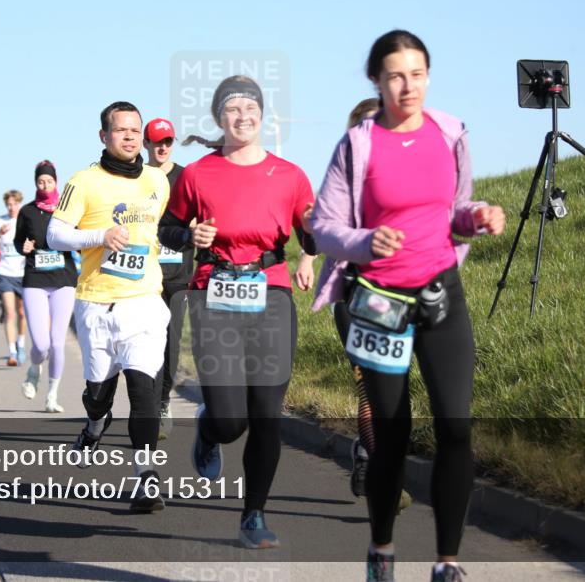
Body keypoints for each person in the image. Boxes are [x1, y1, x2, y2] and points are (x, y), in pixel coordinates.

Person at [310, 30, 506, 582]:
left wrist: (476, 217)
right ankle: (382, 548)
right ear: (376, 80)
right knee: (392, 435)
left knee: (456, 427)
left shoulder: (449, 133)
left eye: (417, 74)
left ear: (428, 76)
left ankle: (447, 563)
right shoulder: (358, 144)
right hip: (380, 303)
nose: (408, 86)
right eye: (396, 76)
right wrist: (365, 241)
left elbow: (455, 208)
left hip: (441, 294)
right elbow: (324, 227)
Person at [160, 75, 318, 548]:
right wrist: (189, 235)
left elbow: (310, 234)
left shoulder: (290, 175)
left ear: (262, 116)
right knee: (231, 421)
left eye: (251, 108)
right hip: (214, 294)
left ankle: (254, 515)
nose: (242, 116)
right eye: (232, 109)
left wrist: (313, 238)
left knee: (267, 414)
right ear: (218, 117)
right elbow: (167, 228)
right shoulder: (197, 174)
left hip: (272, 294)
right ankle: (210, 431)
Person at [47, 100, 171, 513]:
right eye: (121, 130)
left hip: (144, 302)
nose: (130, 137)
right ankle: (95, 424)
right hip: (96, 304)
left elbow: (159, 230)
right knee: (99, 394)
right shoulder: (84, 181)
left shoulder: (157, 181)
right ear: (104, 135)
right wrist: (99, 236)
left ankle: (146, 476)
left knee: (143, 390)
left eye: (136, 130)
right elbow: (55, 235)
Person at [336, 98, 413, 515]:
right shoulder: (340, 184)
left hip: (401, 301)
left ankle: (367, 454)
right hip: (356, 297)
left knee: (396, 393)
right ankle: (388, 478)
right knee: (370, 388)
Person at [142, 117, 194, 439]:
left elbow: (202, 216)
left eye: (168, 142)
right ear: (146, 144)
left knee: (171, 344)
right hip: (144, 276)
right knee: (148, 342)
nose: (162, 147)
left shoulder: (186, 177)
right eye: (156, 142)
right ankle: (149, 403)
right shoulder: (138, 176)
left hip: (178, 274)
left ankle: (162, 400)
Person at [15, 160, 77, 413]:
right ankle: (34, 369)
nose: (45, 185)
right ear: (35, 183)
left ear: (56, 181)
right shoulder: (27, 211)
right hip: (36, 280)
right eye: (40, 181)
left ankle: (52, 395)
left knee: (57, 342)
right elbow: (18, 241)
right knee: (41, 345)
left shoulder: (67, 209)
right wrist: (23, 247)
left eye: (49, 181)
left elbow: (79, 237)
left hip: (64, 280)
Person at [0, 191, 28, 365]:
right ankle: (12, 352)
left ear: (20, 204)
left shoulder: (26, 219)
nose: (12, 208)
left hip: (24, 273)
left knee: (22, 313)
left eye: (15, 204)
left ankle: (21, 345)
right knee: (9, 313)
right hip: (5, 273)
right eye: (9, 205)